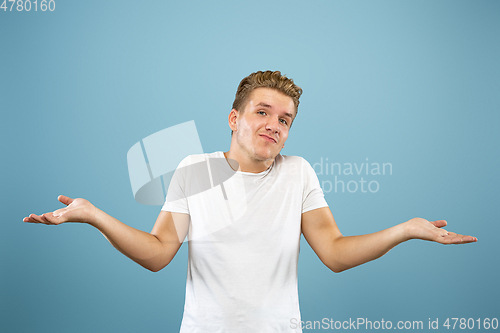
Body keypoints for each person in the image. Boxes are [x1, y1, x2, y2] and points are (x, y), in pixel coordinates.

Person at [24, 70, 477, 333]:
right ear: (234, 117)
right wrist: (93, 215)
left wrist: (405, 230)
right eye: (262, 112)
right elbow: (159, 252)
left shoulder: (298, 171)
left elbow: (335, 253)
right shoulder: (193, 169)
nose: (274, 125)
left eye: (285, 119)